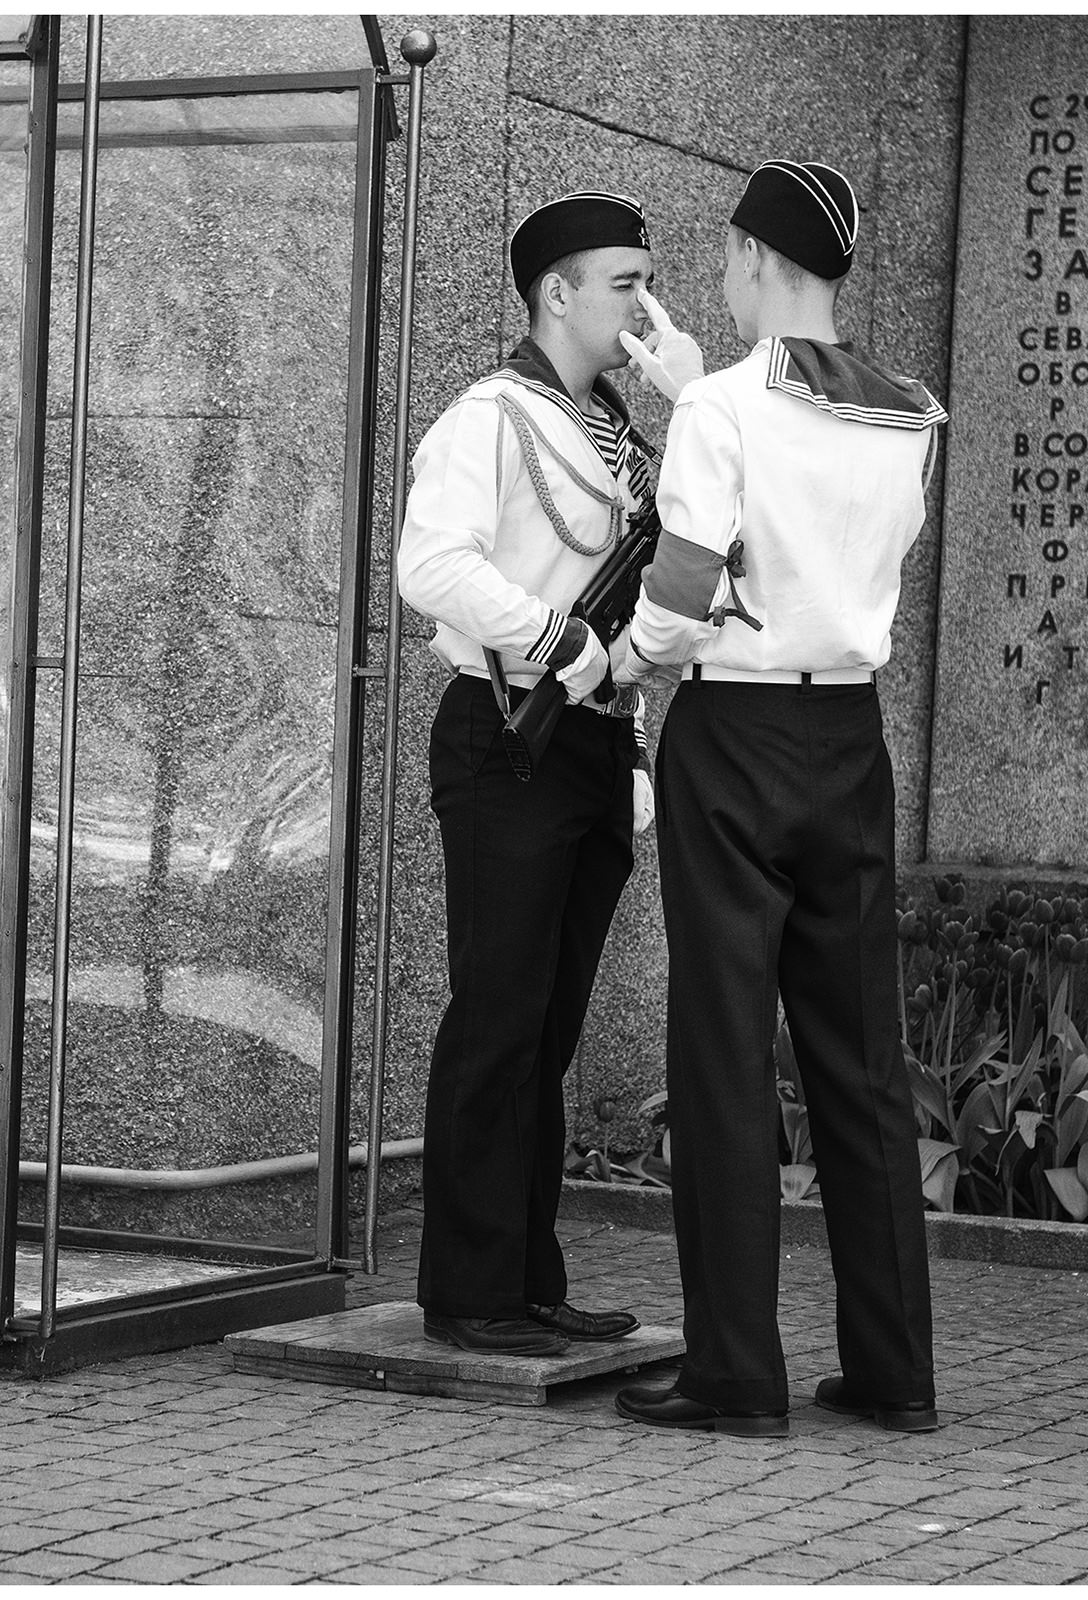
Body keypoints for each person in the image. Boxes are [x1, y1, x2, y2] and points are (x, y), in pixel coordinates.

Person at [608, 161, 946, 1435]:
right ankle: (895, 1372)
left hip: (737, 734)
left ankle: (735, 1371)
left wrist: (635, 663)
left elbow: (688, 584)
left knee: (723, 1049)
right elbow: (800, 463)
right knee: (861, 1063)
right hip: (848, 737)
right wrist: (694, 386)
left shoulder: (723, 412)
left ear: (753, 257)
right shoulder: (908, 412)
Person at [395, 191, 700, 1359]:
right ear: (557, 293)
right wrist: (560, 644)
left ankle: (526, 1279)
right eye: (624, 281)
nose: (644, 302)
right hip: (506, 725)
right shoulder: (491, 415)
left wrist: (620, 731)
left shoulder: (618, 426)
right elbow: (433, 565)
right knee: (500, 1014)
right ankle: (468, 1290)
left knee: (552, 1026)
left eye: (649, 277)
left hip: (587, 738)